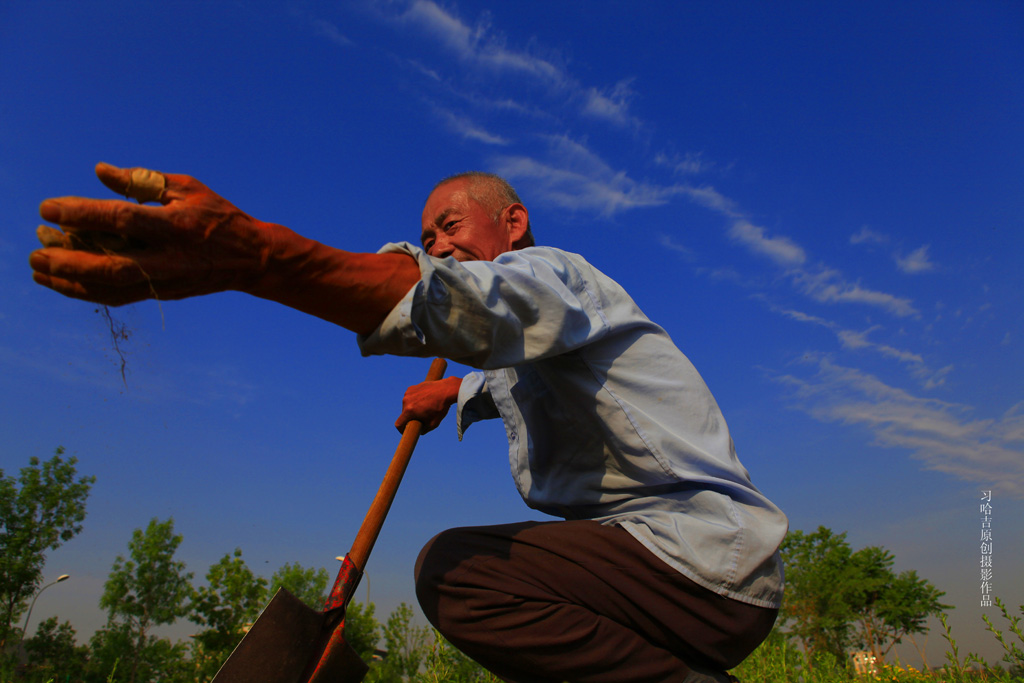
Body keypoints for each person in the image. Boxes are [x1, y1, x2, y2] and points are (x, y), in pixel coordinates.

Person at [30, 163, 788, 682]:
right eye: (427, 239)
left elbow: (480, 303)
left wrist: (258, 257)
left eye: (450, 225)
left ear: (512, 221)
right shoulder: (527, 346)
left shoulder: (555, 273)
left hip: (696, 560)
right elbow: (514, 372)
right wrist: (456, 395)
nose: (436, 245)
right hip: (678, 583)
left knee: (458, 571)